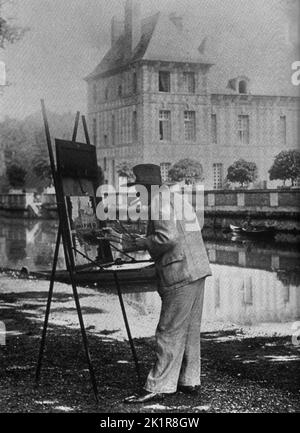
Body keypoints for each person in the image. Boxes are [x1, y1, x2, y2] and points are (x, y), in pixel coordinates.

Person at [121, 164, 212, 404]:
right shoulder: (175, 198)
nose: (136, 194)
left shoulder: (157, 202)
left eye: (138, 189)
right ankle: (189, 379)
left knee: (168, 329)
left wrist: (140, 242)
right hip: (198, 268)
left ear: (147, 187)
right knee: (190, 329)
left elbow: (166, 238)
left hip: (180, 272)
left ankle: (159, 385)